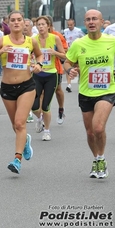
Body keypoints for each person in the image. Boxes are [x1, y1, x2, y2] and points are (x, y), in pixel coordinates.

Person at [0, 10, 43, 174]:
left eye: (20, 20)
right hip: (7, 87)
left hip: (27, 85)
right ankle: (25, 141)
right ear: (8, 23)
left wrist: (38, 65)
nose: (17, 22)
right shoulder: (0, 41)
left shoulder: (31, 42)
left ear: (24, 23)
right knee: (15, 125)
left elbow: (39, 56)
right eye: (13, 20)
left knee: (20, 123)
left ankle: (17, 159)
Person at [64, 9, 115, 179]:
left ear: (102, 22)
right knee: (90, 132)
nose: (91, 22)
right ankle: (97, 158)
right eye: (88, 19)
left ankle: (101, 158)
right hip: (86, 91)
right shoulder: (79, 44)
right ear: (84, 24)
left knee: (98, 127)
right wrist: (70, 70)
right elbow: (67, 61)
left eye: (95, 19)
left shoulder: (111, 41)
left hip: (107, 91)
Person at [32, 16, 66, 141]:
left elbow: (64, 56)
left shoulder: (55, 38)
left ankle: (47, 131)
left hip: (51, 74)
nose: (40, 27)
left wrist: (55, 53)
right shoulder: (33, 40)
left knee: (46, 105)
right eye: (38, 25)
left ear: (48, 26)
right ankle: (40, 119)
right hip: (37, 74)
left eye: (42, 24)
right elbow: (29, 55)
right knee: (34, 105)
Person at [46, 15, 68, 125]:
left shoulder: (57, 36)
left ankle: (61, 109)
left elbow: (65, 50)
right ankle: (44, 114)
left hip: (56, 68)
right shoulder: (38, 37)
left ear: (50, 25)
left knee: (58, 90)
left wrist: (55, 52)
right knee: (42, 93)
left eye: (46, 25)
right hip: (43, 68)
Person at [63, 19, 84, 93]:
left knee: (78, 68)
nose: (69, 26)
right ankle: (69, 85)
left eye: (71, 25)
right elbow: (64, 40)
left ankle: (81, 80)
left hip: (78, 52)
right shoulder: (65, 31)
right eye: (68, 25)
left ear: (74, 24)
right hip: (69, 52)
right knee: (68, 68)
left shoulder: (78, 31)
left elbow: (83, 39)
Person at [23, 18, 37, 123]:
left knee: (37, 93)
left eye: (27, 25)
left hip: (35, 67)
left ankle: (39, 111)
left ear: (31, 27)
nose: (24, 27)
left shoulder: (35, 38)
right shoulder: (20, 39)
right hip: (24, 69)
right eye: (23, 25)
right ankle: (28, 112)